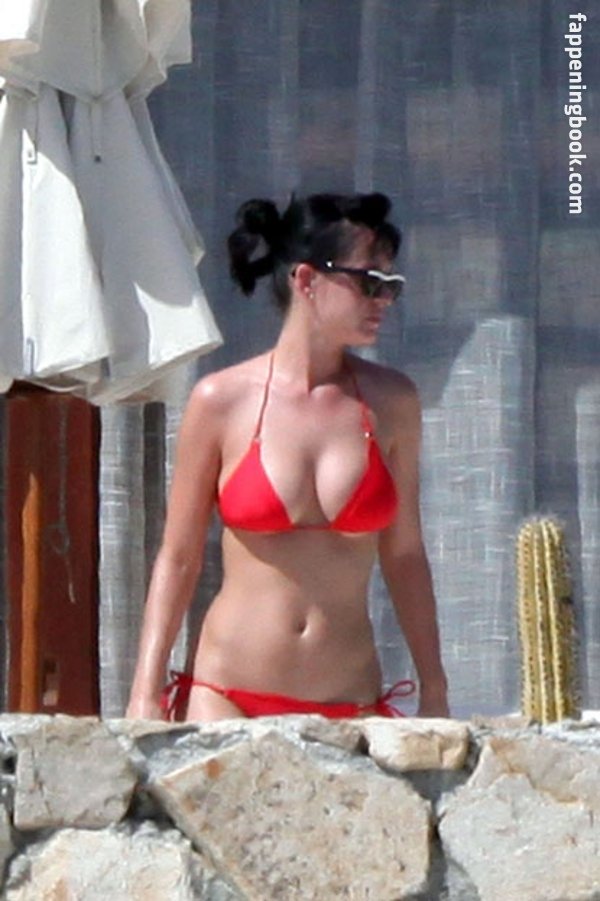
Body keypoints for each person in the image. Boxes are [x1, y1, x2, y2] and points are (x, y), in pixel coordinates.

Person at [126, 191, 449, 722]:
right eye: (370, 281)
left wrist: (434, 691)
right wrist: (145, 693)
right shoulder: (221, 401)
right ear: (306, 280)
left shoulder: (391, 402)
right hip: (225, 694)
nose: (384, 299)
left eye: (391, 285)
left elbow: (405, 555)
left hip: (348, 701)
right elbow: (179, 555)